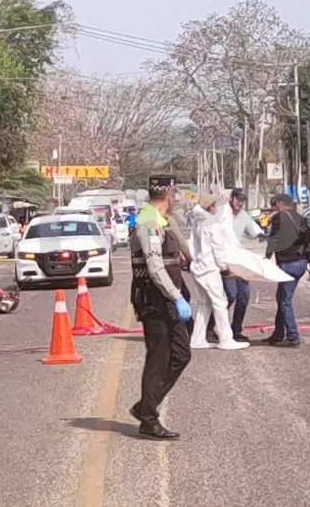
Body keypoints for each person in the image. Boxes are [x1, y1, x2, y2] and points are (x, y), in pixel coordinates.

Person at [128, 174, 194, 440]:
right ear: (169, 194)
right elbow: (155, 268)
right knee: (159, 358)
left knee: (181, 354)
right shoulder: (148, 222)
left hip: (169, 297)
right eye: (175, 193)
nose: (176, 198)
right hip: (156, 299)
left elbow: (170, 255)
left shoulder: (162, 221)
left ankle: (146, 406)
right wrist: (175, 296)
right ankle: (148, 418)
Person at [186, 194, 249, 351]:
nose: (217, 209)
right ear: (210, 207)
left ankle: (197, 338)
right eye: (215, 206)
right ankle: (226, 339)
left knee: (204, 304)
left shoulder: (197, 221)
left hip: (198, 267)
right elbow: (218, 247)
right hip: (209, 268)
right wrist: (224, 267)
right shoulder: (212, 223)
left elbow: (191, 245)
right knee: (220, 303)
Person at [206, 188, 264, 344]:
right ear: (231, 198)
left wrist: (262, 235)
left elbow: (254, 230)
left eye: (243, 200)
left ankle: (236, 329)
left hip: (239, 260)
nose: (240, 203)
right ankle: (211, 327)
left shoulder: (244, 216)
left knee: (244, 296)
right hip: (224, 260)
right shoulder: (221, 214)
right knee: (229, 295)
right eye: (238, 199)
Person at [264, 193, 310, 347]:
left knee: (284, 301)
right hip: (301, 264)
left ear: (280, 204)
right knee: (282, 297)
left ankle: (292, 335)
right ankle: (278, 334)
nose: (273, 209)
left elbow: (274, 239)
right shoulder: (301, 218)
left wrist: (266, 257)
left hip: (287, 265)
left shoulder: (279, 218)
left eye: (274, 205)